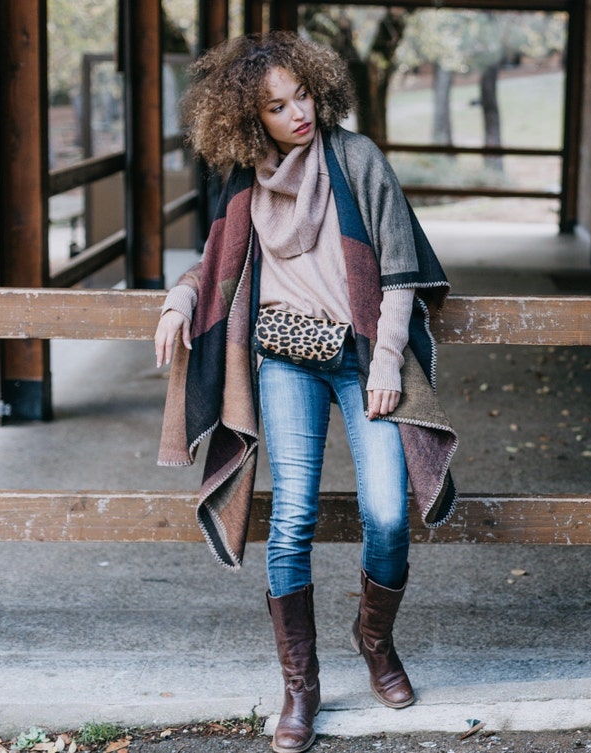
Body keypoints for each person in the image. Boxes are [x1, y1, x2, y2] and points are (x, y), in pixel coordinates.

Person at [154, 31, 458, 753]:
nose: (297, 113)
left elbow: (400, 272)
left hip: (361, 362)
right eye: (277, 106)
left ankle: (374, 639)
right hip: (284, 364)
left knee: (387, 513)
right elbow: (214, 269)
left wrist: (387, 364)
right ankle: (301, 684)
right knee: (290, 516)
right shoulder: (242, 182)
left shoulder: (356, 160)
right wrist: (177, 301)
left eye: (303, 96)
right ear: (247, 117)